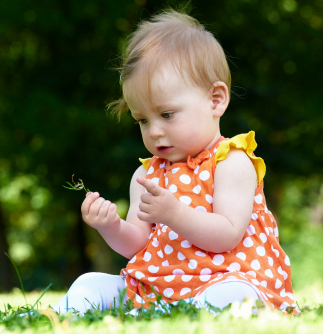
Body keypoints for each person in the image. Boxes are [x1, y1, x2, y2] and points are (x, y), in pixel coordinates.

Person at [52, 9, 297, 315]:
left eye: (166, 114)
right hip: (159, 283)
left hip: (227, 276)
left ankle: (176, 310)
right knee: (90, 282)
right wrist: (111, 226)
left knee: (235, 296)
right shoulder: (147, 173)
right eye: (142, 120)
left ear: (216, 100)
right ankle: (57, 315)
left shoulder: (232, 162)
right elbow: (136, 244)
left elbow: (227, 235)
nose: (154, 131)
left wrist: (175, 213)